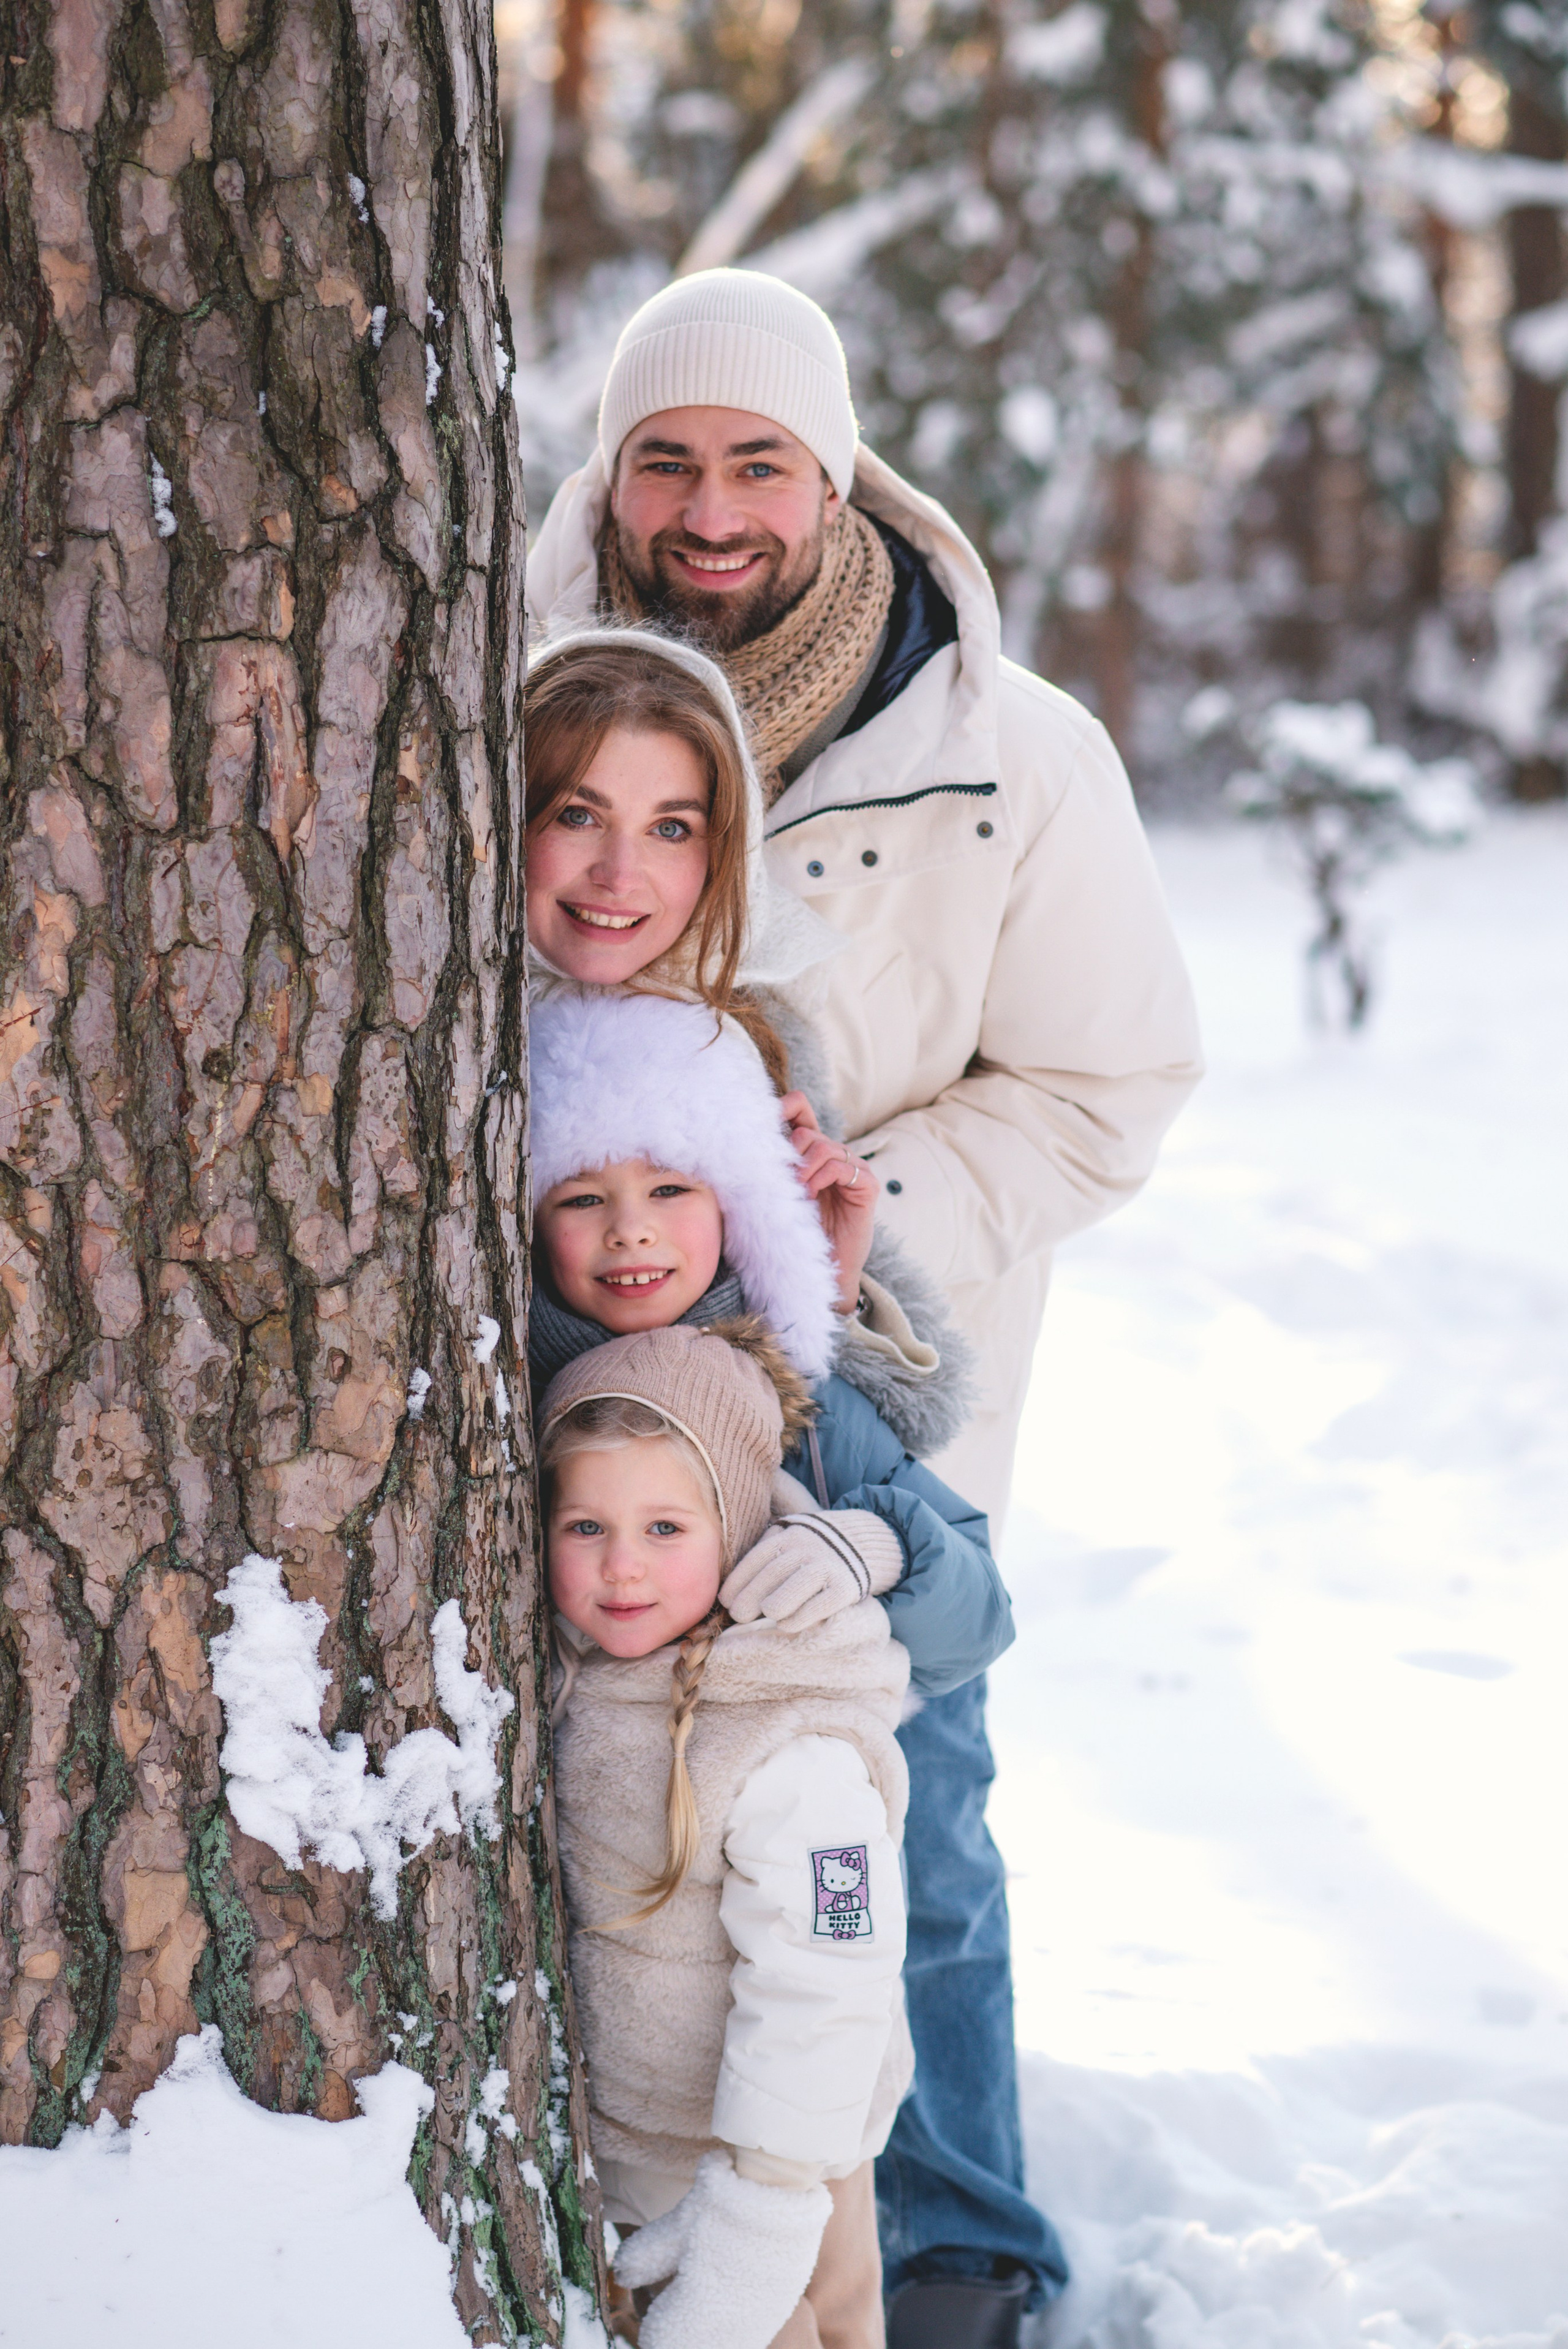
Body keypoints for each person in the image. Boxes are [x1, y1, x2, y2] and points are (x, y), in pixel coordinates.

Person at [525, 272, 1204, 2340]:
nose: (711, 509)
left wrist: (816, 1218)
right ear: (611, 480)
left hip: (858, 1406)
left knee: (912, 1836)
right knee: (600, 1834)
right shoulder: (500, 698)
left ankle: (958, 2249)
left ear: (838, 479)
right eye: (666, 461)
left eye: (760, 463)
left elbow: (1110, 1086)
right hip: (565, 1420)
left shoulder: (1011, 754)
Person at [541, 1320, 914, 2349]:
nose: (622, 1566)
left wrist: (760, 2218)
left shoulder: (790, 1731)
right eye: (585, 1525)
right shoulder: (583, 1673)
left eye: (666, 1526)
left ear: (739, 1529)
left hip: (768, 2175)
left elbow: (833, 1960)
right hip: (649, 2158)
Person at [529, 983, 1012, 1702]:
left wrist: (882, 1547)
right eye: (580, 1198)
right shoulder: (508, 1398)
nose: (629, 1230)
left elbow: (978, 1624)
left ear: (741, 1208)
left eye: (670, 1189)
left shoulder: (807, 1411)